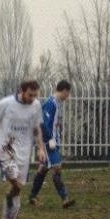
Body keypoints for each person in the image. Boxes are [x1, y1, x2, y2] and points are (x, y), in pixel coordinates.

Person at [0, 79, 47, 219]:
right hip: (6, 151)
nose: (32, 98)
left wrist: (41, 148)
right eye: (30, 95)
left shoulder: (36, 106)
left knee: (17, 189)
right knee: (15, 184)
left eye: (35, 95)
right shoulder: (5, 104)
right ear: (21, 91)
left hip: (24, 154)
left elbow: (36, 128)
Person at [29, 80, 76, 208]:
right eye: (68, 93)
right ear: (64, 91)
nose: (68, 96)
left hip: (51, 141)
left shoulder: (55, 103)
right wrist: (49, 139)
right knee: (57, 167)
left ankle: (32, 196)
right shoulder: (51, 103)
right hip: (47, 142)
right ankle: (65, 198)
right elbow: (43, 122)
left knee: (43, 169)